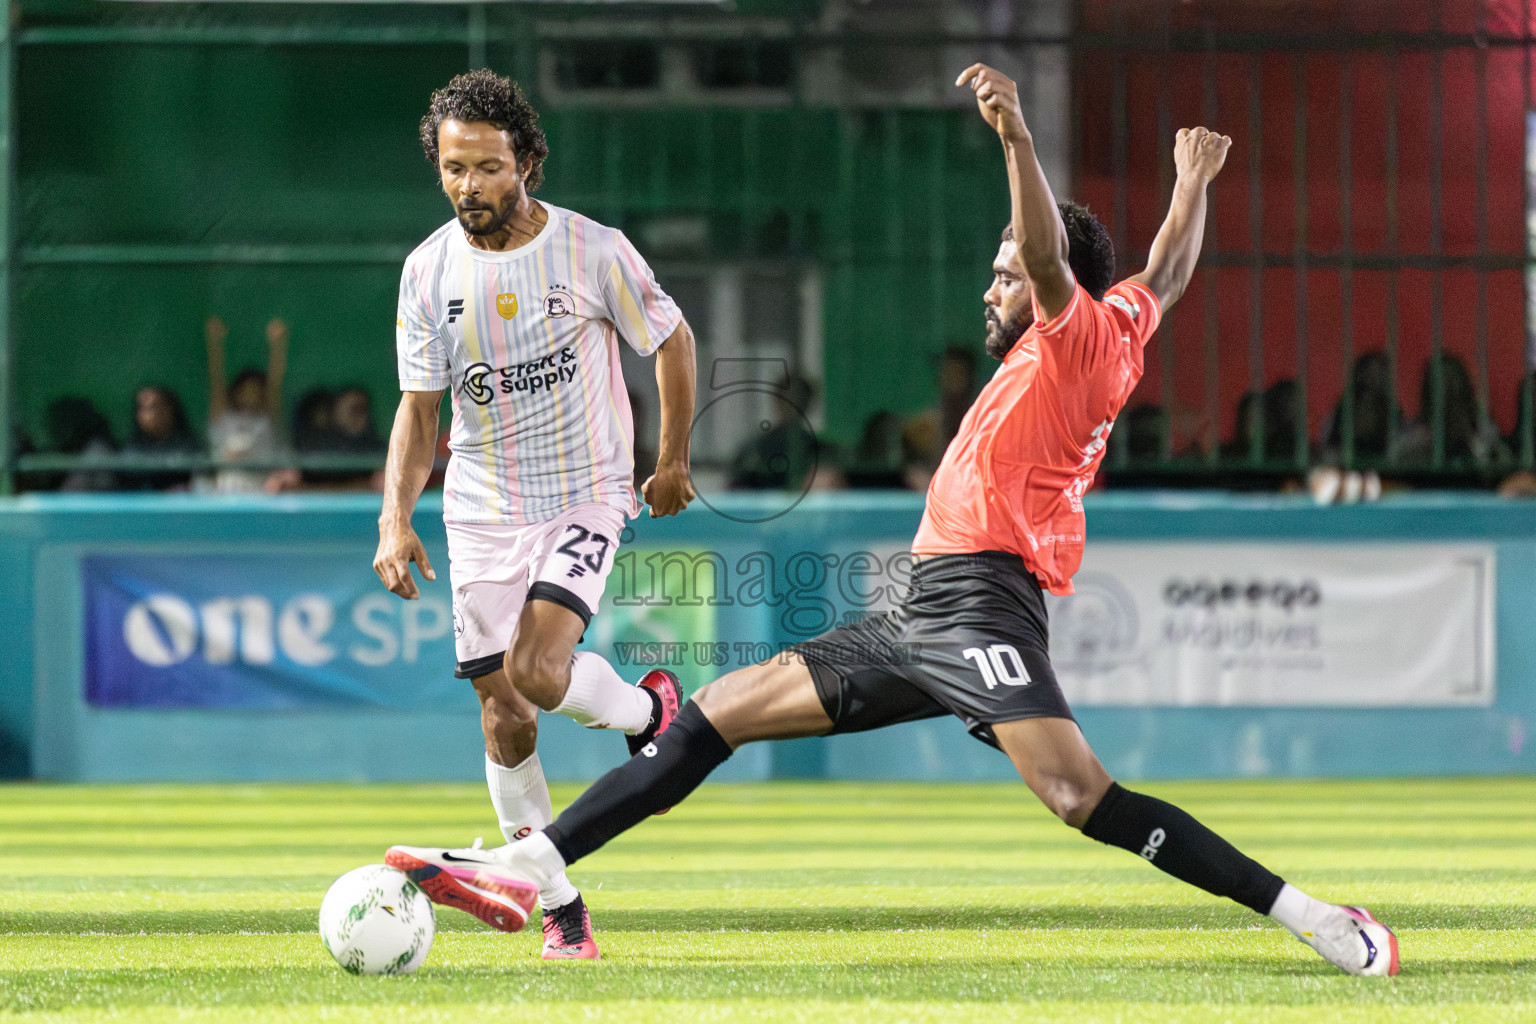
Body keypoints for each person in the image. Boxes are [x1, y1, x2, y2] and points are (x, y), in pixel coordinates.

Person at [389, 64, 1400, 978]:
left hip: (984, 605)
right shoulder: (1123, 320)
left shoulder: (1078, 332)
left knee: (1079, 796)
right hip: (924, 607)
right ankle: (537, 865)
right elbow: (1167, 274)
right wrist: (1192, 184)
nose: (994, 283)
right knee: (716, 714)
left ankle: (1312, 916)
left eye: (1007, 270)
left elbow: (1052, 260)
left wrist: (1014, 139)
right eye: (999, 268)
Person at [371, 69, 698, 961]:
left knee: (542, 670)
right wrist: (393, 519)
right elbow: (419, 407)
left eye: (485, 167)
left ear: (528, 165)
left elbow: (672, 339)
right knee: (503, 711)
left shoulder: (594, 252)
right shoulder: (427, 270)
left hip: (585, 489)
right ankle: (561, 908)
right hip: (480, 508)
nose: (468, 186)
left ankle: (641, 711)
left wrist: (669, 461)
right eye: (452, 169)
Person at [204, 315, 287, 493]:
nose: (250, 396)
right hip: (227, 492)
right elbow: (216, 381)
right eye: (245, 390)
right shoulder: (222, 418)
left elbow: (275, 384)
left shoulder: (266, 420)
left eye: (256, 391)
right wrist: (214, 343)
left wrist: (278, 346)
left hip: (260, 492)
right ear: (235, 391)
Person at [121, 385, 200, 491]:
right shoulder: (132, 446)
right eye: (142, 408)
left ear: (170, 410)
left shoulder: (188, 444)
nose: (147, 414)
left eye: (153, 407)